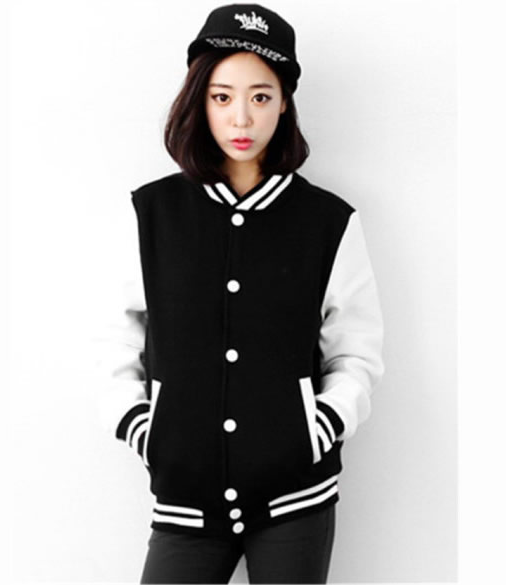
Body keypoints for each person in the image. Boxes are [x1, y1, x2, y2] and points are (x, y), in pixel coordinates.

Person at [94, 3, 384, 583]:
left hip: (295, 498)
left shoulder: (328, 222)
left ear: (284, 103)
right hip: (186, 499)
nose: (242, 118)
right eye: (222, 97)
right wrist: (144, 429)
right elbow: (116, 341)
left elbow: (356, 353)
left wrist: (317, 428)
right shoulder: (152, 214)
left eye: (260, 96)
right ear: (199, 101)